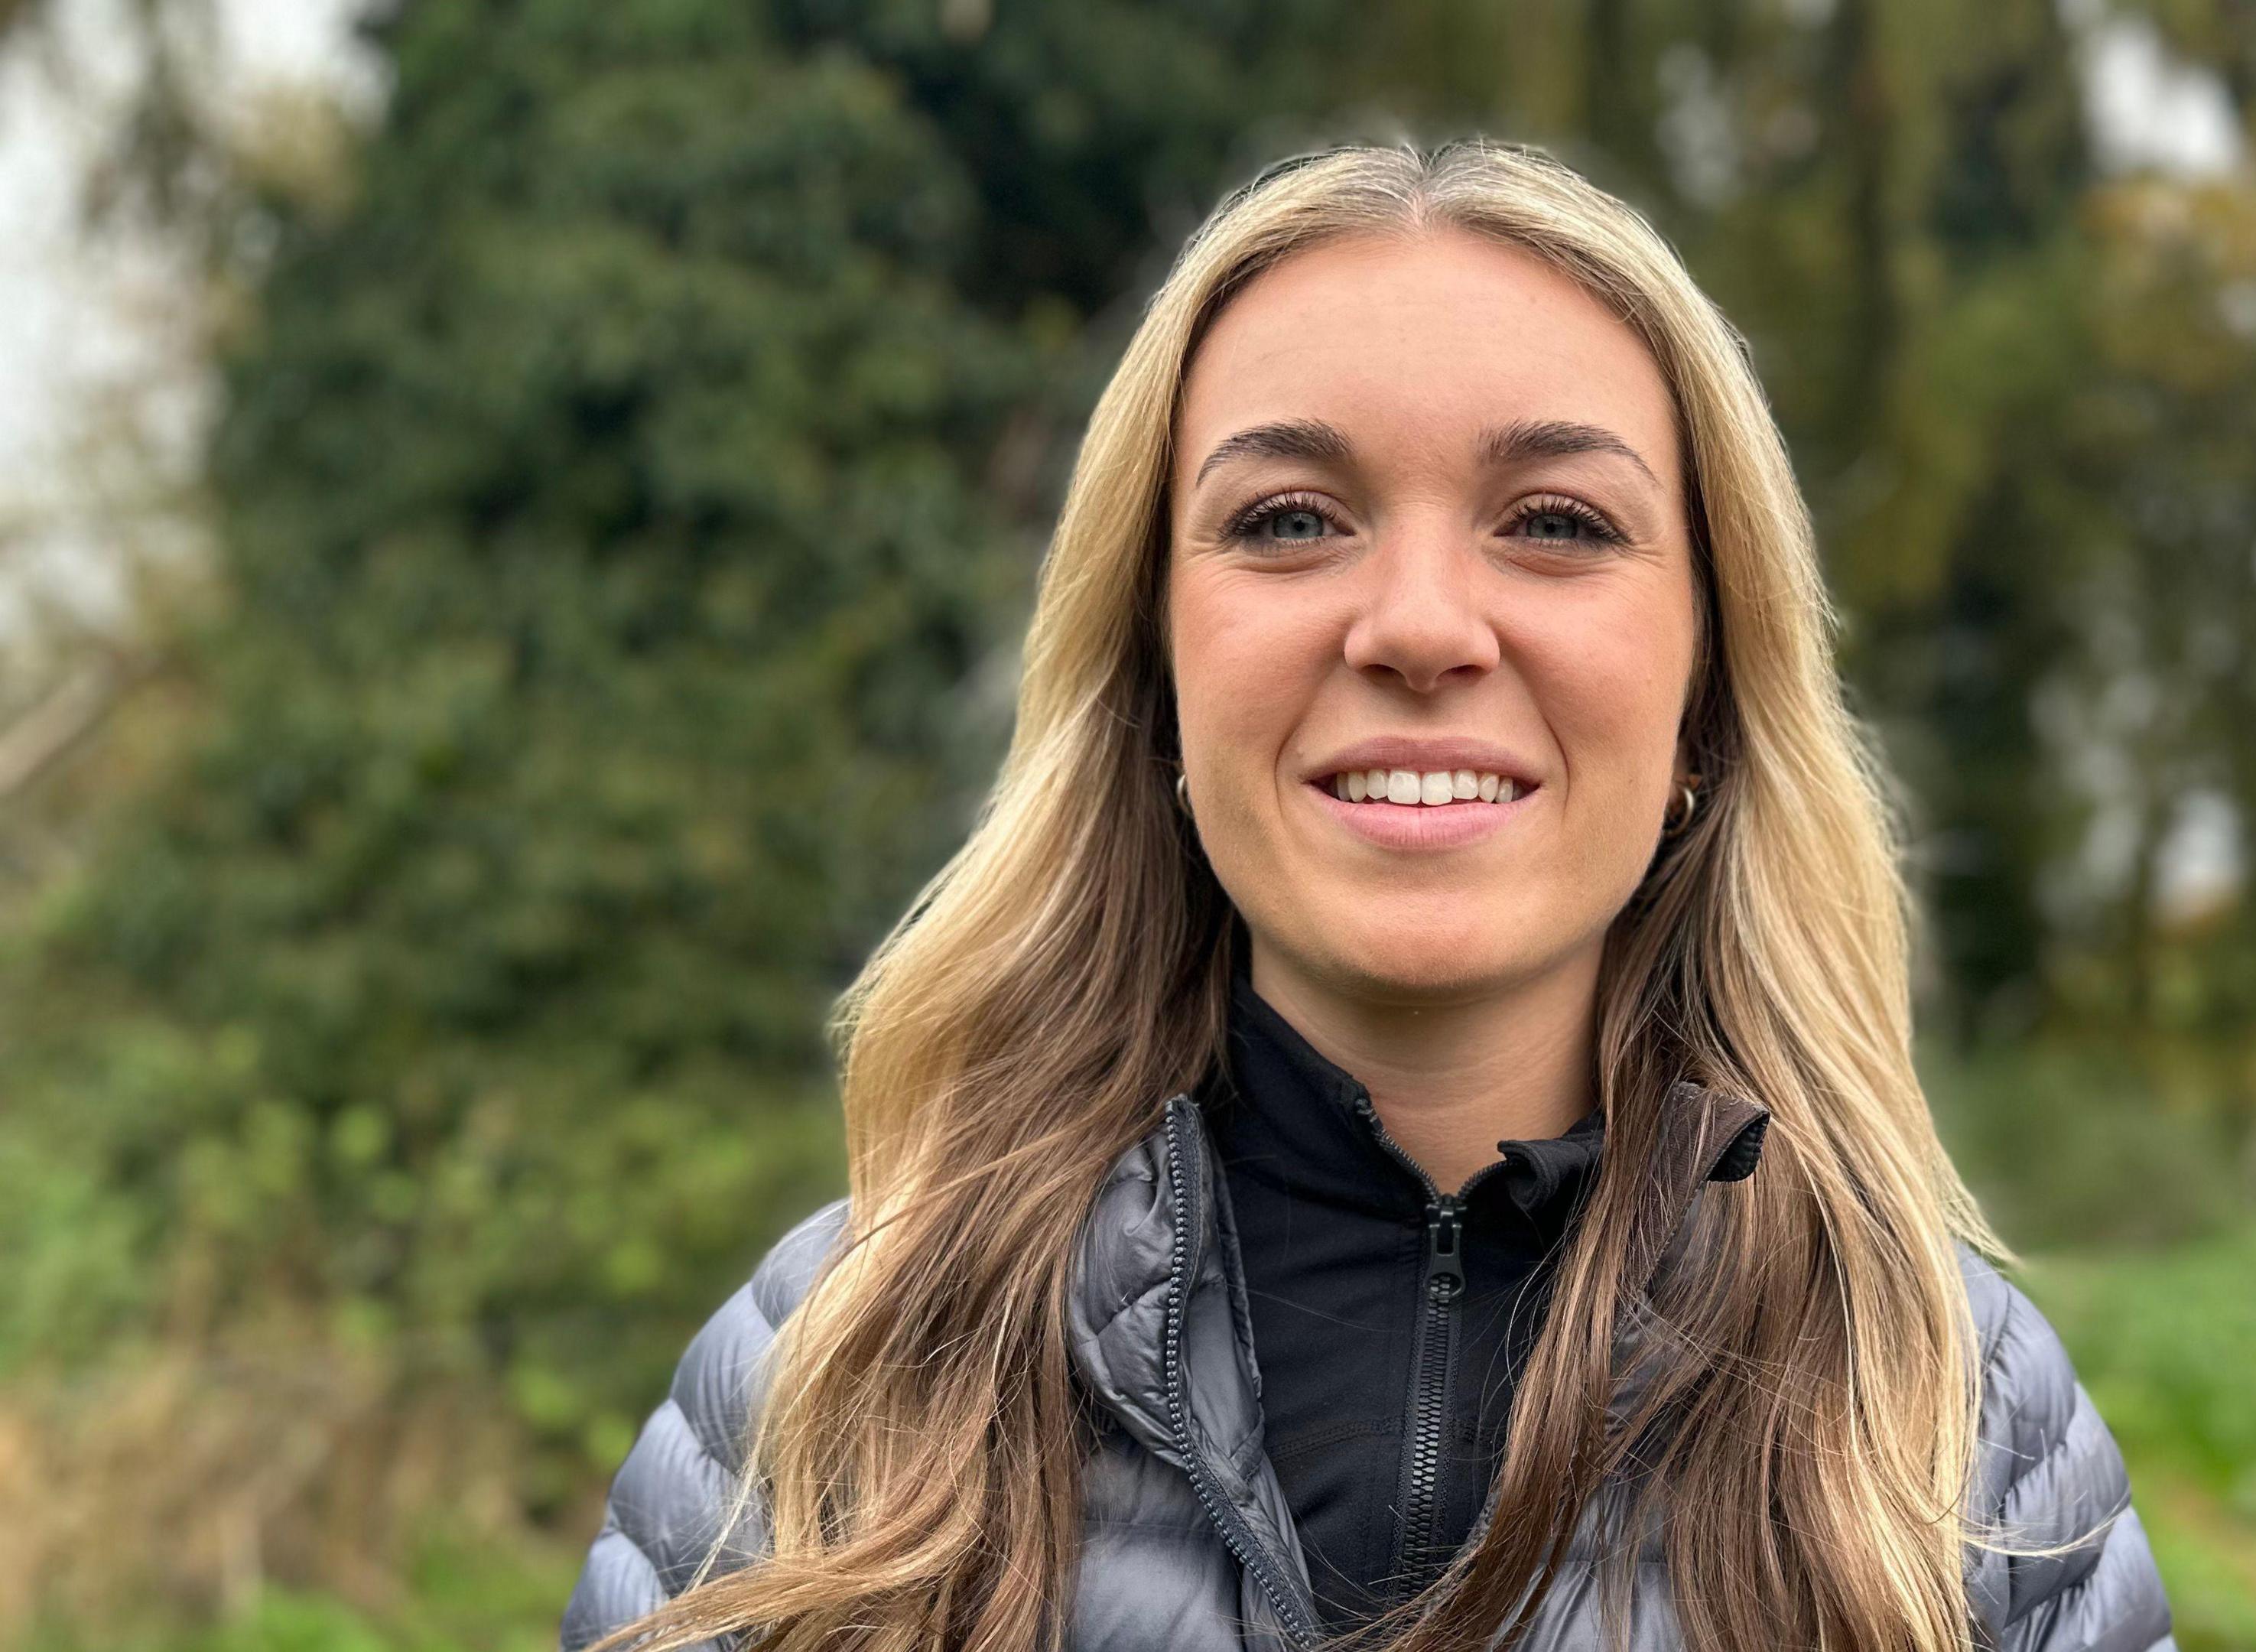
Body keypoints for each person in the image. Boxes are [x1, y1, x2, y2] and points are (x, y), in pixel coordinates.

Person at [558, 138, 2173, 1652]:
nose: (1416, 625)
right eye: (1288, 521)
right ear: (1157, 671)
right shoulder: (837, 1374)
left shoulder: (1952, 1422)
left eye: (1555, 523)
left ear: (1705, 694)